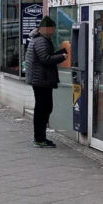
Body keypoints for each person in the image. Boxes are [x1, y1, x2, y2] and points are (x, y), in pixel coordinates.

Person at [25, 16, 67, 147]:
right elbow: (45, 59)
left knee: (43, 108)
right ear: (47, 29)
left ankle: (40, 137)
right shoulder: (41, 41)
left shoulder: (38, 39)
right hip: (41, 80)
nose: (54, 31)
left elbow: (44, 57)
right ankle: (39, 139)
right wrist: (62, 56)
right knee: (43, 109)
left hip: (40, 79)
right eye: (52, 29)